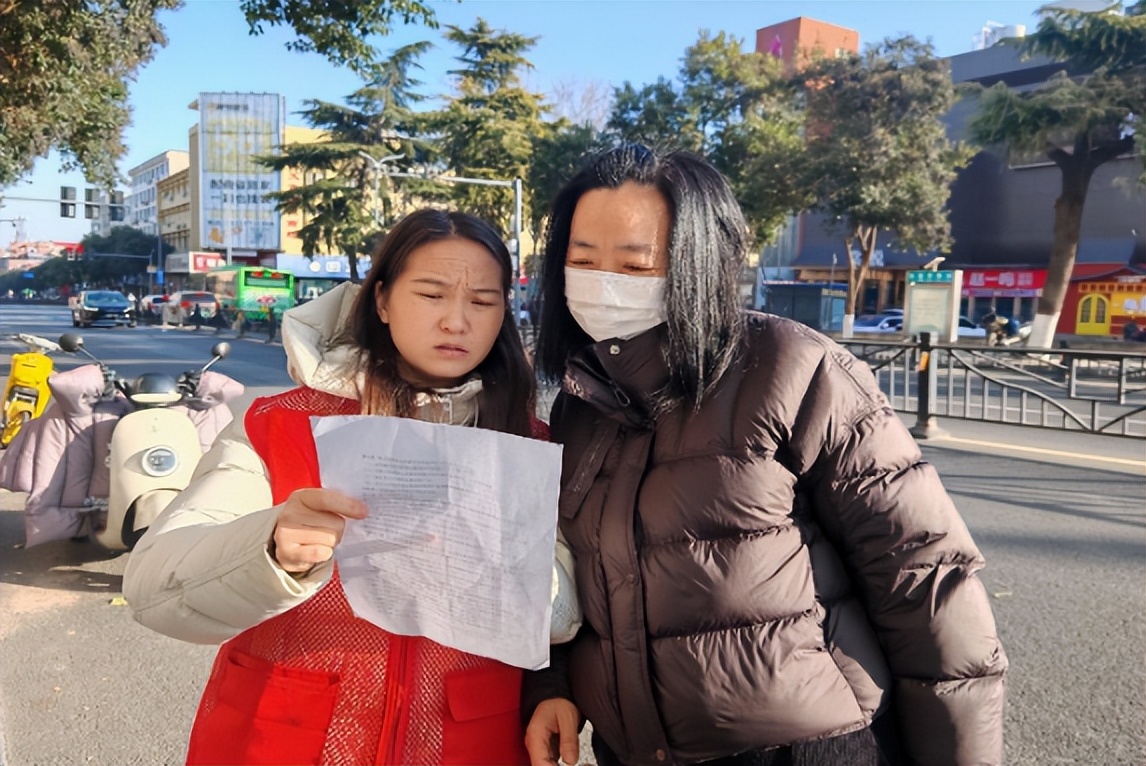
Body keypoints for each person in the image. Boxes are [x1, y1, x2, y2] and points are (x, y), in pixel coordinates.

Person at [522, 145, 1007, 766]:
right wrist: (554, 685)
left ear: (697, 263)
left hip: (803, 748)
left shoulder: (794, 370)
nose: (603, 284)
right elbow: (568, 575)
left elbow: (925, 579)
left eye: (635, 265)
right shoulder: (580, 401)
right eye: (582, 260)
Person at [123, 208, 581, 766]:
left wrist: (504, 567)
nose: (456, 322)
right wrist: (268, 549)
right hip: (283, 736)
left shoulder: (529, 444)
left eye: (483, 302)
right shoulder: (278, 424)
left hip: (470, 741)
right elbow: (152, 587)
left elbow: (568, 617)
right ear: (382, 300)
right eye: (431, 295)